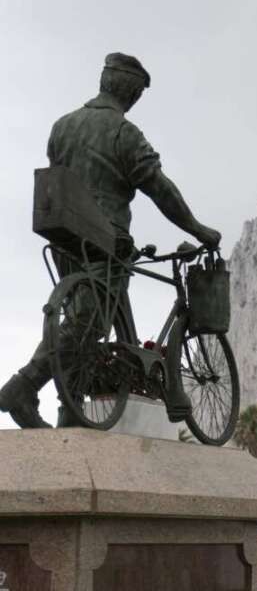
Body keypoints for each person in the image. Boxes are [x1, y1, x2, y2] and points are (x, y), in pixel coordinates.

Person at [0, 52, 221, 428]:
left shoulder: (62, 126)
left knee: (80, 321)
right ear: (132, 93)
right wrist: (198, 230)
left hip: (68, 237)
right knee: (91, 323)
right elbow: (160, 189)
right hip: (107, 242)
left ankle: (71, 411)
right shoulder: (124, 133)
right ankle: (24, 385)